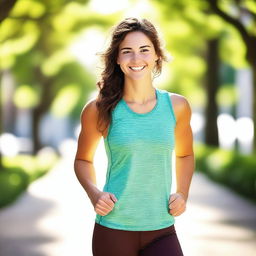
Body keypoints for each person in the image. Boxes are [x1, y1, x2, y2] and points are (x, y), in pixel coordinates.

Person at [74, 17, 194, 256]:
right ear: (117, 59)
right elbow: (83, 160)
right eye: (127, 51)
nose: (136, 59)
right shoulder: (99, 109)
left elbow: (186, 154)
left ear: (157, 55)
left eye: (144, 50)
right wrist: (94, 193)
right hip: (113, 228)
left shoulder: (177, 106)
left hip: (161, 227)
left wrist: (182, 193)